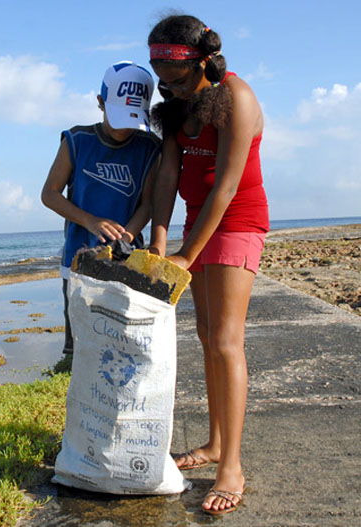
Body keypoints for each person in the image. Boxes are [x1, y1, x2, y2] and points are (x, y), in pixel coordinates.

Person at [146, 15, 269, 515]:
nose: (168, 90)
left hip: (237, 220)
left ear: (201, 62)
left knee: (225, 340)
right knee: (203, 334)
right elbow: (168, 175)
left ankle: (231, 467)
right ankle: (216, 444)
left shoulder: (237, 98)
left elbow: (226, 187)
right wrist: (159, 239)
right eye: (161, 82)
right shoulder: (178, 106)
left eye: (175, 81)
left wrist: (186, 255)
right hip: (197, 222)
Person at [41, 61, 161, 355]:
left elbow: (149, 202)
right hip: (78, 259)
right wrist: (91, 221)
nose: (124, 129)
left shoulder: (149, 147)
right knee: (79, 347)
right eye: (118, 116)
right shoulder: (78, 140)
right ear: (100, 102)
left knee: (122, 343)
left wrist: (129, 234)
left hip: (127, 260)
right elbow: (50, 194)